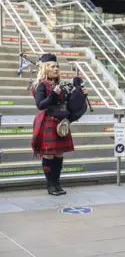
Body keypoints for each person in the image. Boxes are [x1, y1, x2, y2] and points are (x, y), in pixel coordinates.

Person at [31, 53, 88, 196]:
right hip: (48, 121)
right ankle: (50, 185)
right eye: (53, 66)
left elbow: (70, 103)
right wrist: (53, 96)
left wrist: (82, 95)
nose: (56, 68)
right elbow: (40, 105)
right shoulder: (40, 85)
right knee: (49, 155)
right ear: (45, 68)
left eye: (57, 66)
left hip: (62, 123)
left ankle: (57, 183)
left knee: (59, 155)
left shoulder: (61, 85)